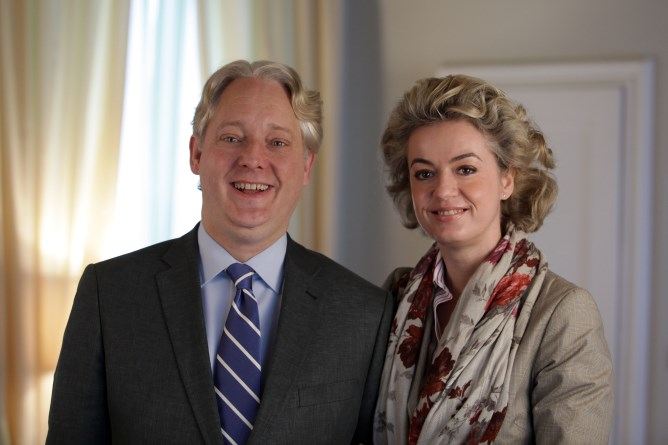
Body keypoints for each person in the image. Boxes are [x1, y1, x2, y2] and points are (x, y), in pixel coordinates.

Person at [47, 60, 392, 444]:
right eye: (232, 138)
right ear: (196, 154)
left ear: (306, 165)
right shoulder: (110, 295)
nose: (253, 158)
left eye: (277, 142)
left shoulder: (364, 314)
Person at [373, 75, 613, 444]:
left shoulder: (563, 313)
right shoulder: (396, 293)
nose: (443, 190)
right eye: (424, 173)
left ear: (507, 179)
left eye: (465, 169)